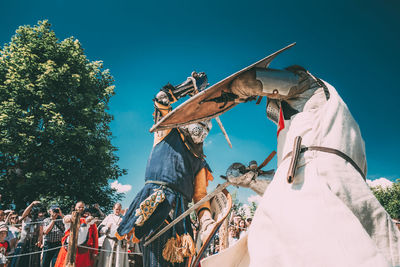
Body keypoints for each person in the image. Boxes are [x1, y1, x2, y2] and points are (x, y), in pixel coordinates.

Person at [201, 62, 400, 267]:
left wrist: (225, 95)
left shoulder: (306, 83)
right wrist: (252, 179)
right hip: (356, 198)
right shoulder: (349, 129)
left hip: (317, 189)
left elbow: (248, 82)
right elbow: (294, 182)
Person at [116, 72, 216, 267]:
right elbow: (161, 99)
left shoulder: (201, 161)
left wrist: (206, 222)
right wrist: (189, 86)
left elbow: (200, 197)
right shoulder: (167, 130)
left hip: (181, 220)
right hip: (154, 208)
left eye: (206, 125)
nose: (202, 129)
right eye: (200, 121)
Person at [55, 201, 98, 267]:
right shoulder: (71, 216)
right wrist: (68, 219)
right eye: (79, 207)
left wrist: (95, 252)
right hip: (68, 248)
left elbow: (95, 236)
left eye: (82, 207)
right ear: (75, 207)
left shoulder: (87, 220)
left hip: (82, 249)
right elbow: (65, 219)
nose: (81, 209)